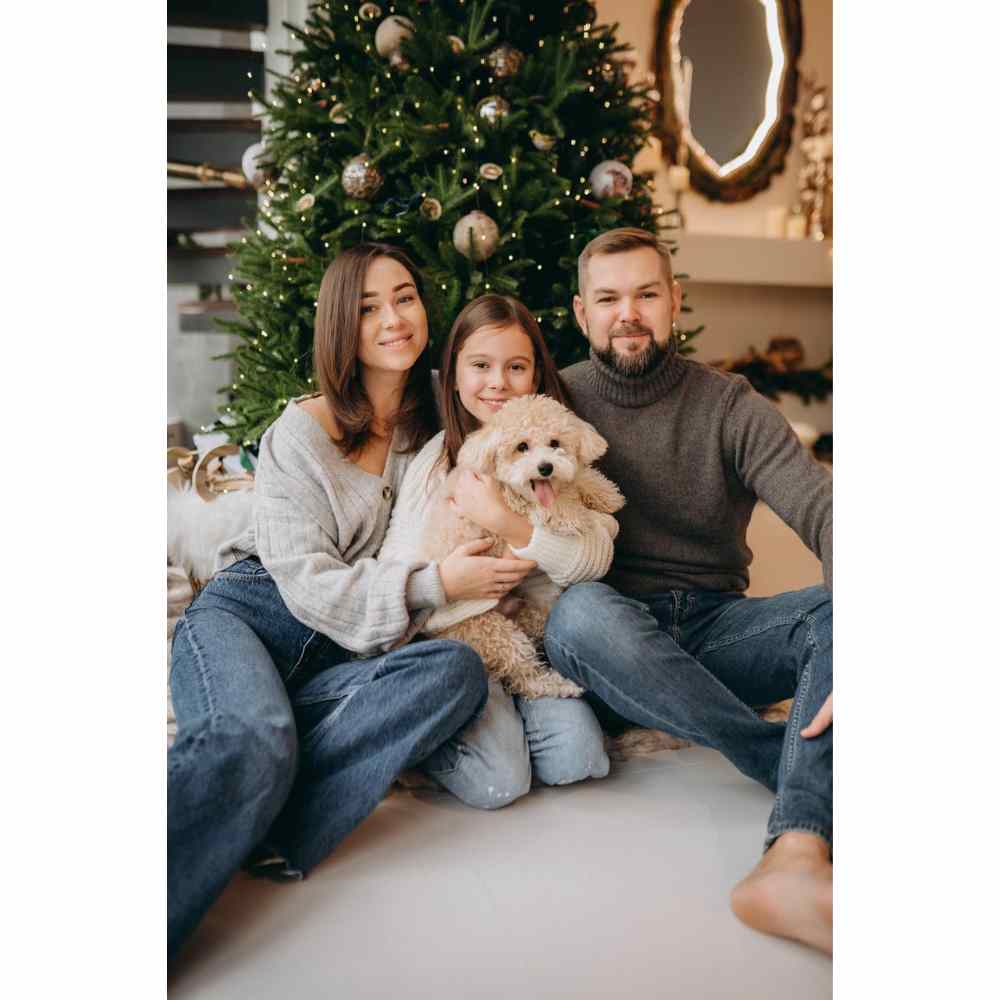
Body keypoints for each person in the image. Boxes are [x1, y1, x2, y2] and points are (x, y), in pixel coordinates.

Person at [167, 244, 538, 961]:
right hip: (254, 618)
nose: (394, 319)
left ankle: (278, 822)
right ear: (342, 324)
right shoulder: (297, 435)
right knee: (250, 739)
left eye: (405, 297)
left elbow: (524, 409)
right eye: (369, 308)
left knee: (453, 676)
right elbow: (307, 586)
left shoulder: (442, 412)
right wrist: (437, 586)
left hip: (349, 653)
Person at [542, 227, 834, 955]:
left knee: (845, 613)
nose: (628, 313)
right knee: (576, 614)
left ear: (675, 301)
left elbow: (823, 509)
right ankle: (777, 758)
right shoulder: (554, 403)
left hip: (715, 631)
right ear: (583, 314)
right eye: (608, 298)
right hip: (609, 643)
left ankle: (796, 854)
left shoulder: (730, 405)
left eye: (646, 293)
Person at [378, 294, 615, 808]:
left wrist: (505, 523)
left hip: (533, 641)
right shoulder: (433, 461)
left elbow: (594, 555)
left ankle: (514, 715)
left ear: (535, 374)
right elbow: (396, 569)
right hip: (461, 641)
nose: (498, 382)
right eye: (480, 366)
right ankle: (435, 740)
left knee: (580, 761)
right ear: (454, 375)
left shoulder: (556, 446)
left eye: (516, 367)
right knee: (501, 780)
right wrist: (461, 587)